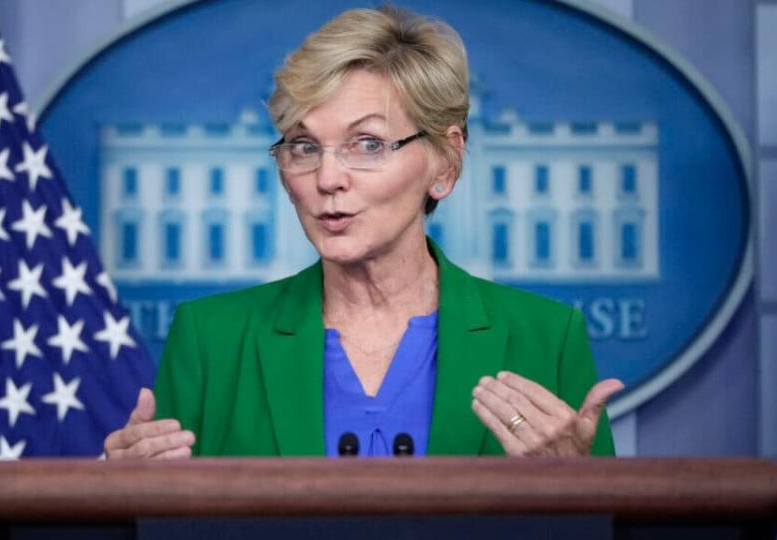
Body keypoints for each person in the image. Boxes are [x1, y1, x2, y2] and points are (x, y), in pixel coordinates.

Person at [104, 5, 622, 460]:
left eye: (367, 144)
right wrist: (126, 496)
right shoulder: (210, 340)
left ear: (445, 163)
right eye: (304, 147)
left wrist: (572, 486)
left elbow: (604, 524)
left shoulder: (547, 340)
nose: (328, 179)